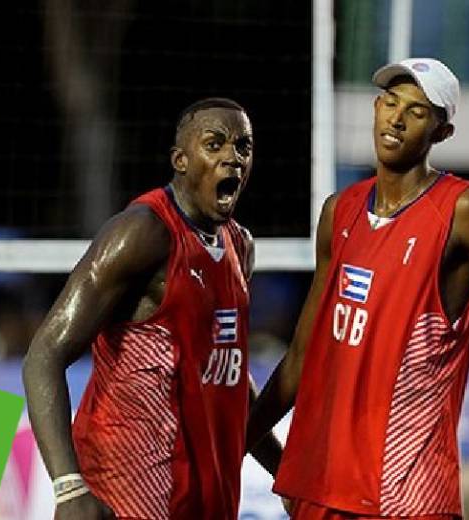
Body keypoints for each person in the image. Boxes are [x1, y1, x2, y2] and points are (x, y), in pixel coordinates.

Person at [247, 59, 469, 519]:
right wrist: (235, 446)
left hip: (407, 492)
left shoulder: (465, 210)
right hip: (322, 484)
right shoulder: (339, 211)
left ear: (442, 132)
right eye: (391, 103)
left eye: (417, 111)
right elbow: (300, 358)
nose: (396, 118)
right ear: (375, 107)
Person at [23, 97, 282, 520]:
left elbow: (230, 372)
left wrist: (284, 473)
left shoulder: (240, 245)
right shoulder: (142, 233)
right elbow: (44, 355)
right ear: (181, 160)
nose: (232, 158)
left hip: (208, 488)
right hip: (129, 488)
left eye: (243, 147)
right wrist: (68, 487)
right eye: (214, 145)